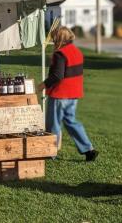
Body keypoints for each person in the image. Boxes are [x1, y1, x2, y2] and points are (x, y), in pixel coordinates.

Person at [38, 26, 98, 161]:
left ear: (59, 39)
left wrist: (42, 85)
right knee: (71, 122)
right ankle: (89, 150)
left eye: (54, 38)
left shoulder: (60, 54)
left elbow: (57, 76)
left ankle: (50, 152)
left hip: (60, 94)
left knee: (53, 124)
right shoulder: (77, 51)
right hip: (74, 94)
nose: (53, 41)